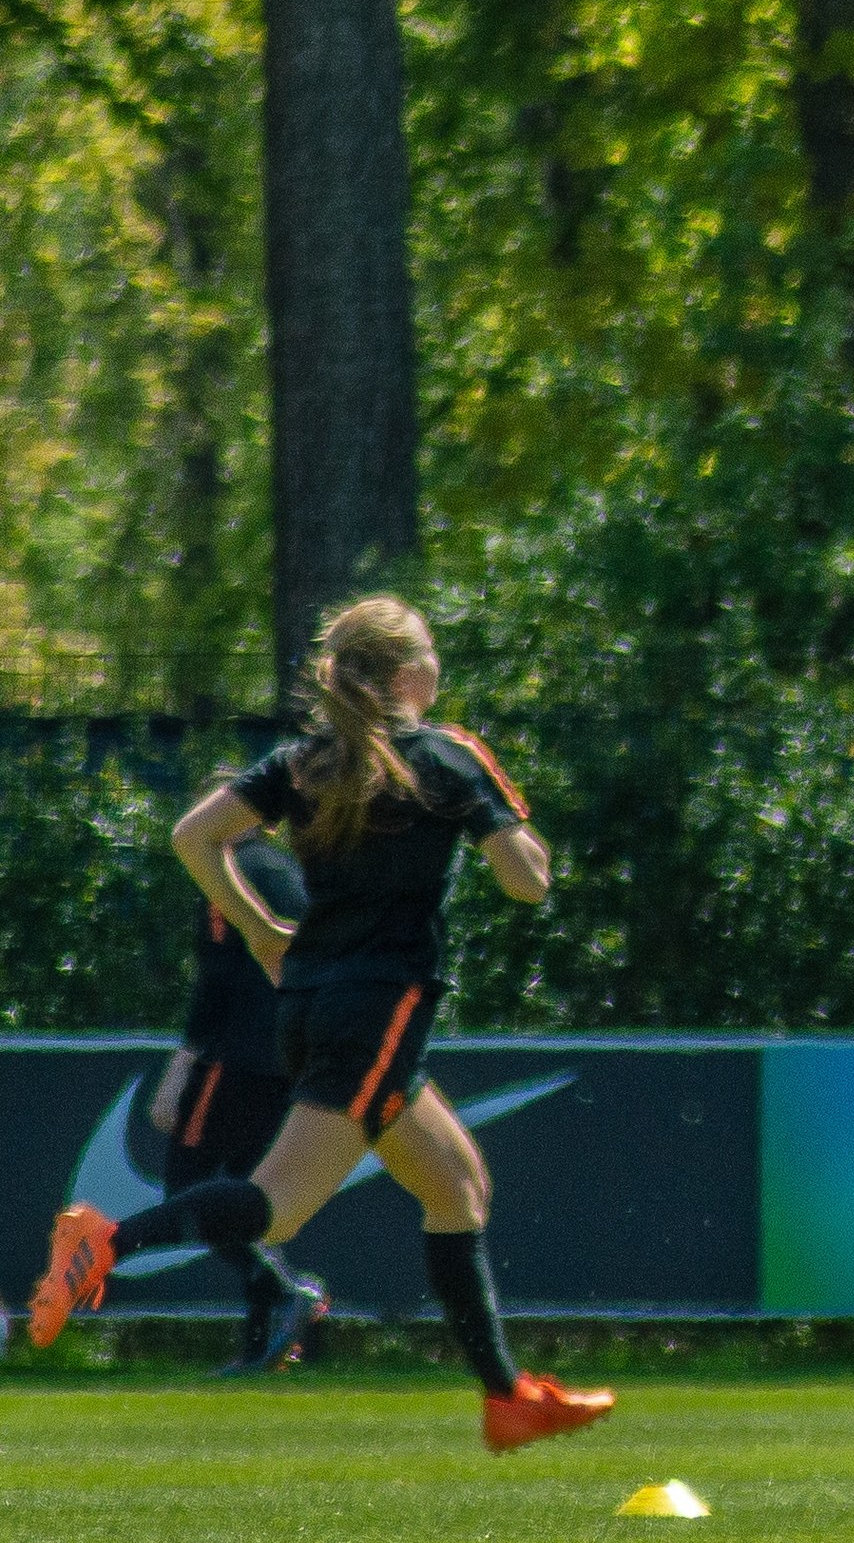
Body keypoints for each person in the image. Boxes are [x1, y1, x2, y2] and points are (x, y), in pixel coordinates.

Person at [27, 596, 614, 1452]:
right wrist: (513, 823)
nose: (438, 667)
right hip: (379, 1009)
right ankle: (107, 1239)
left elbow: (195, 836)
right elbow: (527, 884)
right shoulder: (446, 756)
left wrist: (260, 929)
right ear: (409, 673)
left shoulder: (306, 761)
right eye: (431, 654)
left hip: (311, 1004)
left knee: (455, 1186)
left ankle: (507, 1397)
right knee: (277, 1209)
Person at [147, 822, 331, 1372]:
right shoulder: (286, 869)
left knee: (187, 1187)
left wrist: (182, 1064)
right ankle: (262, 1342)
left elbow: (218, 979)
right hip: (291, 1057)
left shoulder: (225, 869)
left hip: (236, 1058)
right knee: (251, 1199)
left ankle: (283, 1291)